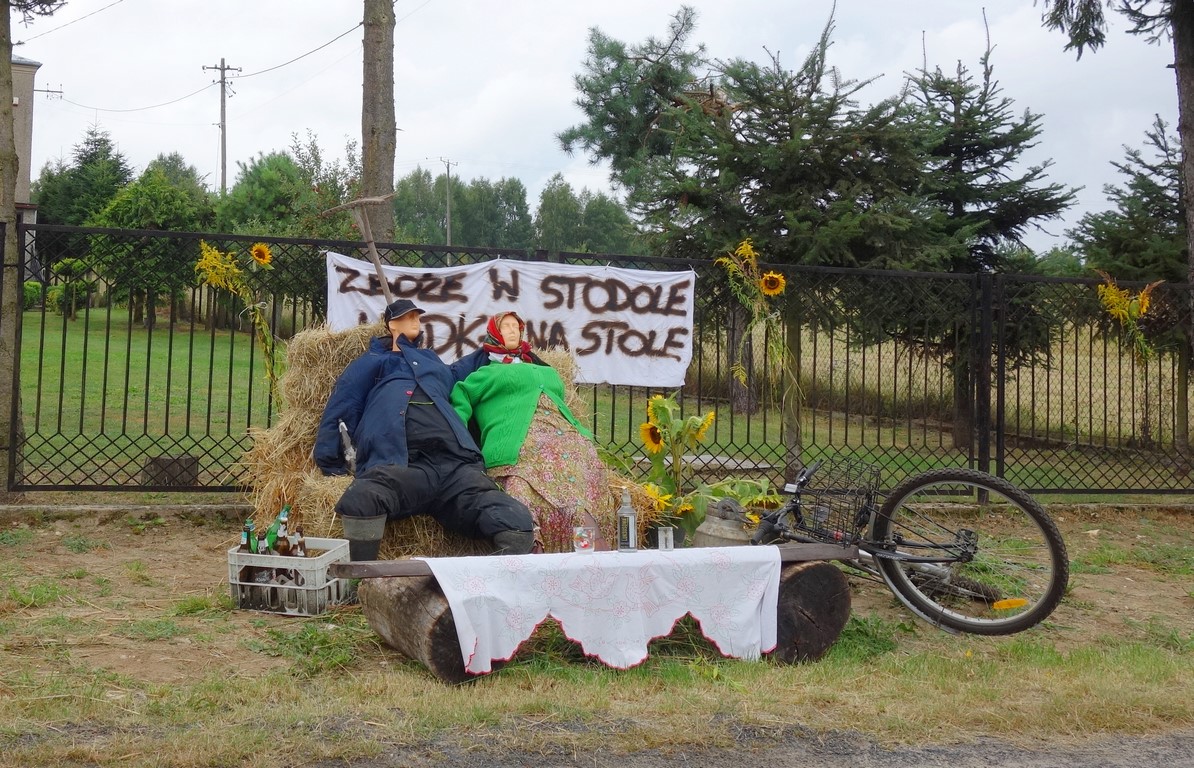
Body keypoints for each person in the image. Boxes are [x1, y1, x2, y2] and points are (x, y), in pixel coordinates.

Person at [314, 299, 536, 560]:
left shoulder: (432, 362)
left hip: (455, 465)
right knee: (362, 499)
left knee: (516, 519)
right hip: (402, 463)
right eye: (408, 317)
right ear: (391, 324)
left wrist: (492, 348)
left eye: (417, 317)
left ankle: (486, 582)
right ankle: (363, 577)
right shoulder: (373, 362)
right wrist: (330, 463)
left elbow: (459, 371)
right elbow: (343, 405)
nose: (416, 321)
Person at [450, 311, 610, 552]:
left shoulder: (543, 369)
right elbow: (459, 402)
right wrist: (459, 443)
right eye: (505, 327)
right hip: (520, 439)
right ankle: (536, 549)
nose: (512, 331)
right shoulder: (484, 375)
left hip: (563, 433)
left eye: (516, 327)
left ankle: (591, 547)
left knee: (583, 458)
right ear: (494, 334)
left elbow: (561, 401)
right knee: (527, 473)